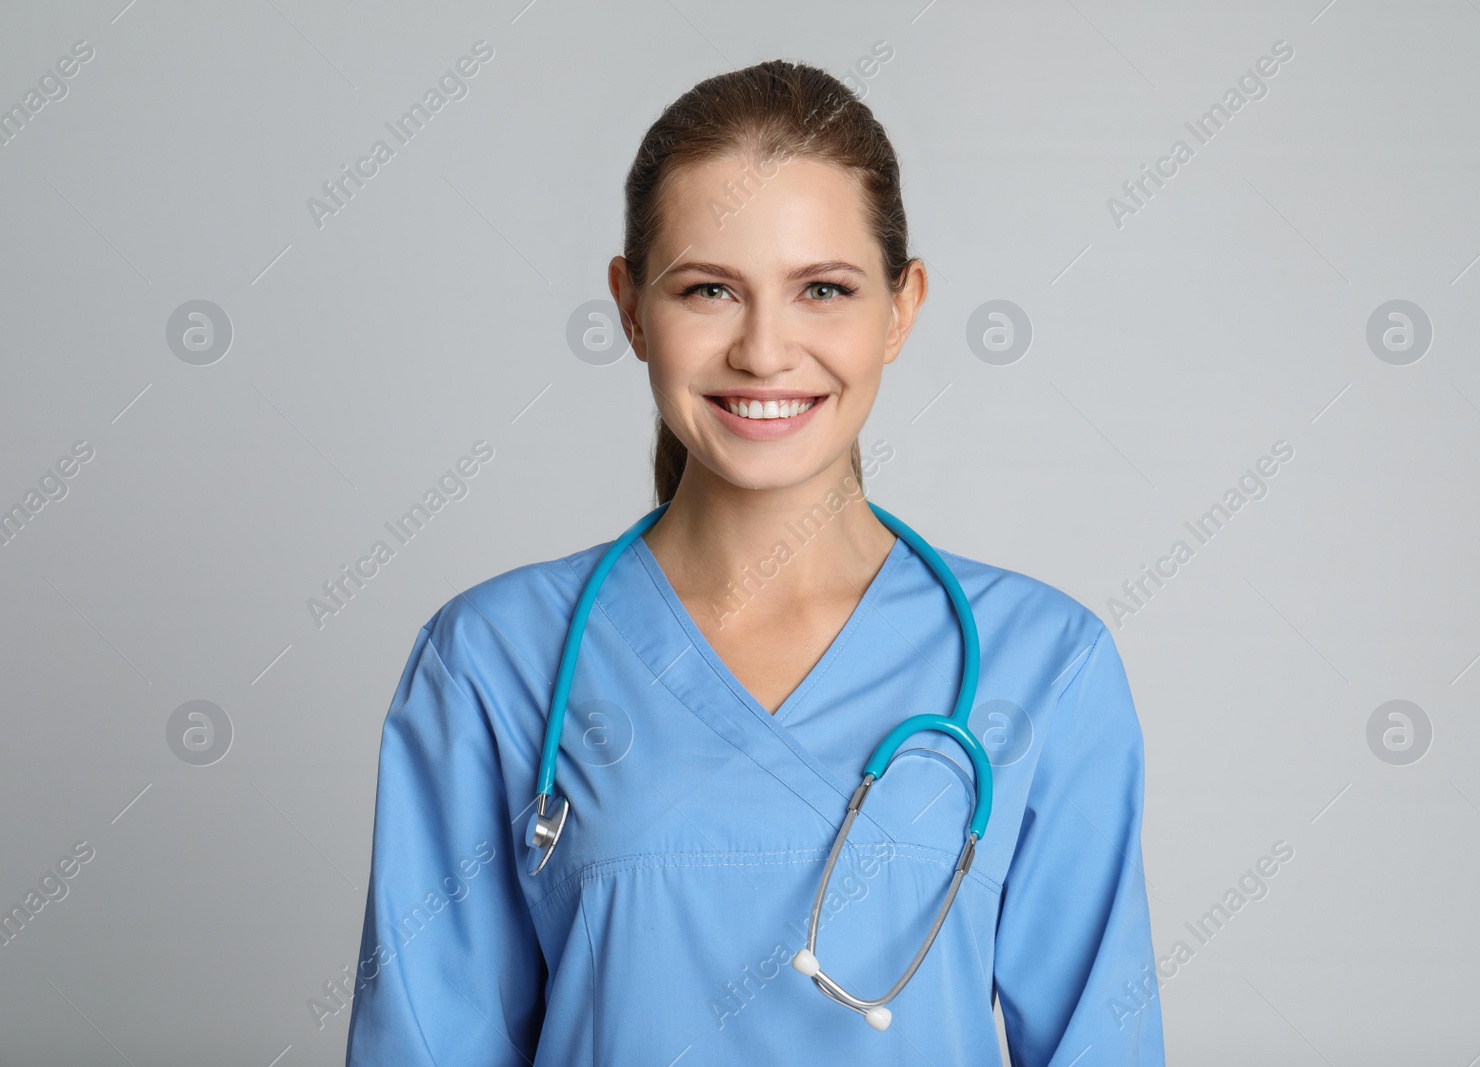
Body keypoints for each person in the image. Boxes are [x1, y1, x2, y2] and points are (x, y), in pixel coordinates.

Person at [345, 58, 1164, 1066]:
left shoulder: (1045, 662)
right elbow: (424, 1043)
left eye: (822, 288)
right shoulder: (494, 659)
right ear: (632, 306)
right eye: (709, 290)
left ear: (901, 308)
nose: (765, 351)